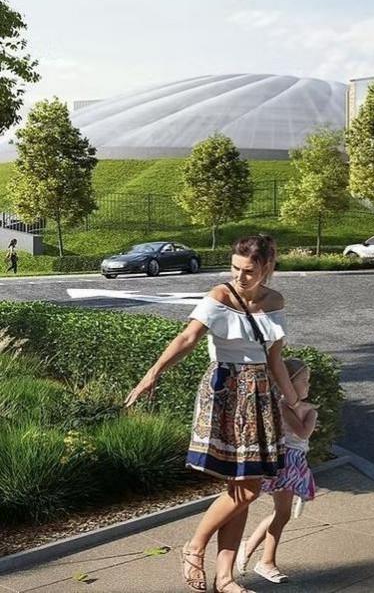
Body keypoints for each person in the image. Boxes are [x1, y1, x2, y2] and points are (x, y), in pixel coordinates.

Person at [124, 234, 304, 593]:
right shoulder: (220, 295)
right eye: (235, 268)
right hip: (226, 393)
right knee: (247, 489)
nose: (239, 276)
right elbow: (187, 338)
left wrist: (293, 403)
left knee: (242, 487)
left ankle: (225, 579)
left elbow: (275, 359)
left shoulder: (275, 301)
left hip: (260, 396)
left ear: (267, 267)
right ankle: (194, 547)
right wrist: (151, 375)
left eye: (249, 271)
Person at [237, 358, 317, 584]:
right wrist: (311, 416)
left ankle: (250, 547)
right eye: (304, 381)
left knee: (280, 512)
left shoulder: (296, 407)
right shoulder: (283, 405)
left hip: (295, 462)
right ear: (288, 384)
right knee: (282, 513)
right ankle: (266, 562)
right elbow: (302, 432)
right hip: (284, 462)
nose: (308, 386)